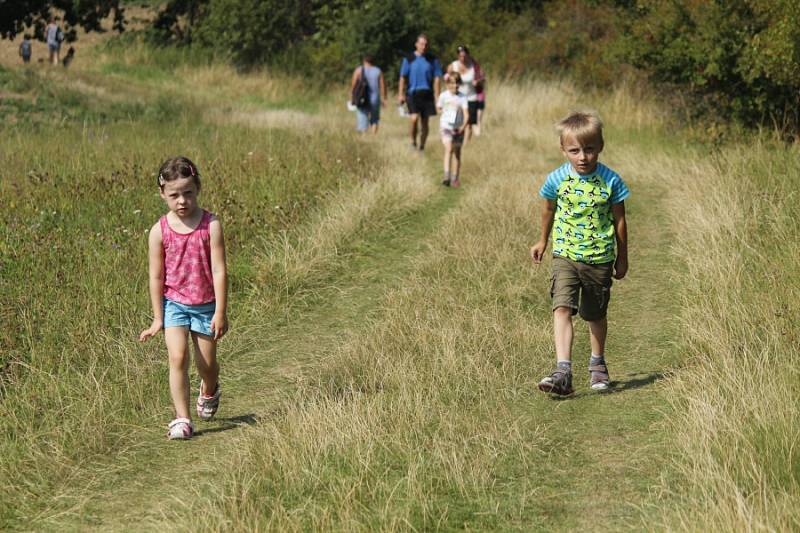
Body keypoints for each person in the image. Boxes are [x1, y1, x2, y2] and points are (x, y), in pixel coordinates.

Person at [530, 110, 629, 395]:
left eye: (589, 149)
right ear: (563, 149)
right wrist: (542, 241)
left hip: (599, 258)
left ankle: (597, 365)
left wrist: (622, 257)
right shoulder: (556, 180)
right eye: (574, 151)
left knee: (594, 315)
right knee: (562, 307)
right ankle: (563, 371)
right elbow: (548, 209)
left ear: (600, 146)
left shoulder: (611, 181)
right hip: (565, 255)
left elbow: (620, 221)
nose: (582, 157)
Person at [139, 156, 228, 440]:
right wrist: (157, 318)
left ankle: (209, 388)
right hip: (174, 305)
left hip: (205, 307)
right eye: (174, 195)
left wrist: (221, 311)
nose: (182, 201)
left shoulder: (210, 225)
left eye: (188, 193)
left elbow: (219, 269)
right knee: (177, 357)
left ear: (197, 188)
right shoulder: (158, 231)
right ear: (162, 193)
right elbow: (156, 277)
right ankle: (182, 419)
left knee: (207, 366)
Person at [398, 34, 443, 152]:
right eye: (421, 44)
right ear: (416, 44)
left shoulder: (433, 60)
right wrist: (401, 94)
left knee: (425, 123)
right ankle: (413, 142)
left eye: (426, 44)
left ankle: (422, 146)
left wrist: (438, 97)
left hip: (427, 93)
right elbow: (403, 77)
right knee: (414, 118)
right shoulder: (409, 59)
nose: (424, 46)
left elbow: (437, 78)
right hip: (413, 93)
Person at [437, 73, 469, 187]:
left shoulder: (463, 97)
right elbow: (439, 108)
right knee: (449, 148)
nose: (454, 85)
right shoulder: (443, 96)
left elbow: (466, 115)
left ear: (459, 84)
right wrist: (444, 110)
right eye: (452, 83)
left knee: (457, 153)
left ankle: (455, 178)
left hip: (458, 128)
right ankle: (446, 176)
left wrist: (463, 127)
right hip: (446, 126)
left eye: (456, 83)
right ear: (447, 84)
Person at [447, 45, 484, 141]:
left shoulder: (474, 65)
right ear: (457, 56)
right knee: (455, 121)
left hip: (471, 97)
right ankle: (454, 140)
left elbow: (482, 78)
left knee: (469, 123)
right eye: (460, 56)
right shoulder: (453, 66)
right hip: (457, 98)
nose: (462, 58)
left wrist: (478, 82)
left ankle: (466, 144)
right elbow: (447, 79)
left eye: (464, 56)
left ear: (468, 55)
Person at [350, 55, 386, 134]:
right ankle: (373, 136)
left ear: (364, 61)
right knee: (375, 118)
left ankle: (364, 135)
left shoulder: (358, 70)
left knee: (362, 116)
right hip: (375, 98)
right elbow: (383, 86)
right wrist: (384, 98)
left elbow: (353, 85)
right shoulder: (378, 71)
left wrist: (352, 96)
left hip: (362, 98)